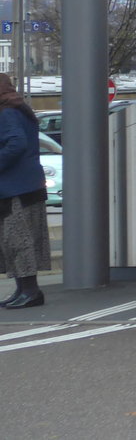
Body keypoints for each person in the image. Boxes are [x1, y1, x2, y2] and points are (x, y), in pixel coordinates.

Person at [0, 72, 50, 308]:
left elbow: (16, 143)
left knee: (18, 240)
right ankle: (23, 290)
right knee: (15, 240)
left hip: (17, 188)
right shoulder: (16, 109)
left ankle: (30, 292)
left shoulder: (8, 112)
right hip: (23, 186)